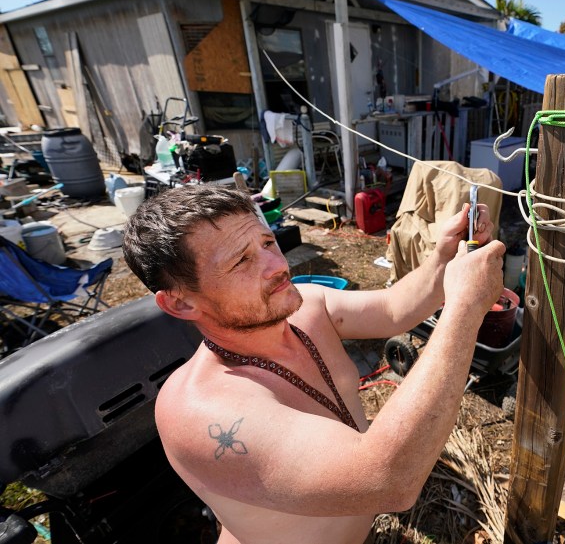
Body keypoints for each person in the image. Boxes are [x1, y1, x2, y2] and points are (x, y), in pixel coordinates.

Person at [122, 185, 505, 544]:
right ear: (182, 303)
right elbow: (388, 480)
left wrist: (443, 257)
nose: (276, 265)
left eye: (268, 241)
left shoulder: (305, 306)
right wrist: (465, 307)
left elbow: (393, 309)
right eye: (242, 261)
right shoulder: (197, 412)